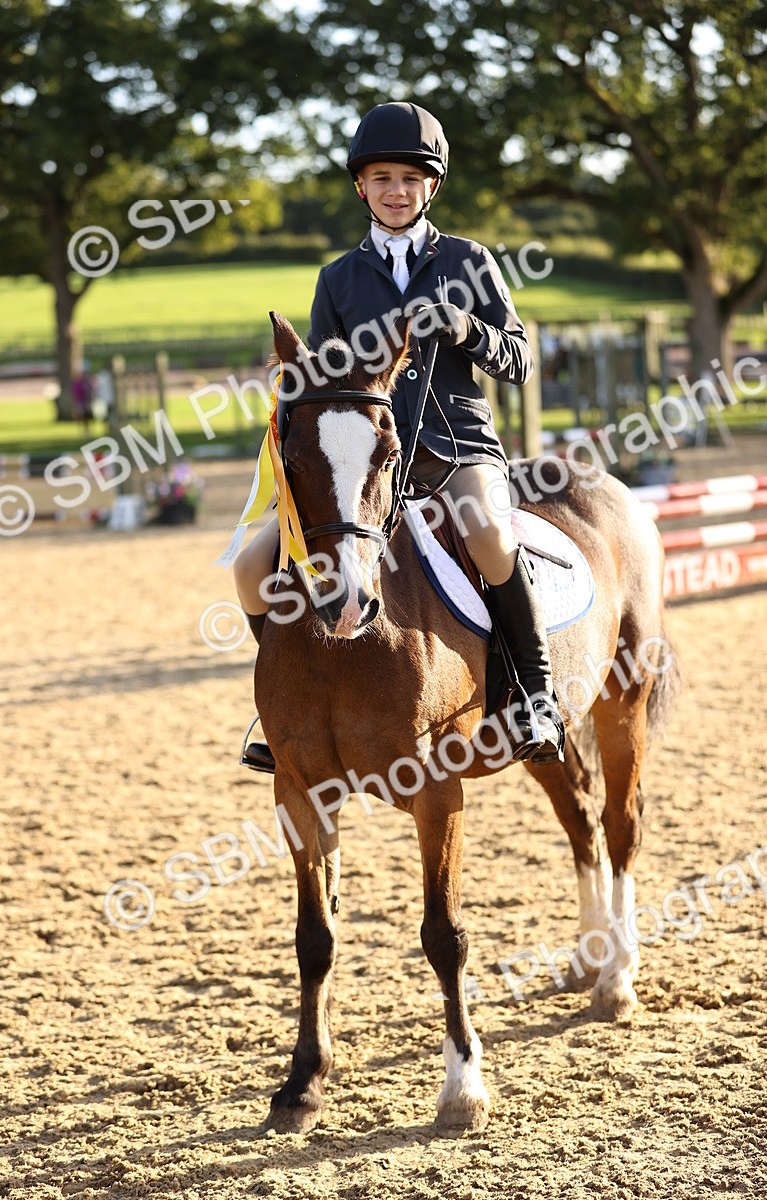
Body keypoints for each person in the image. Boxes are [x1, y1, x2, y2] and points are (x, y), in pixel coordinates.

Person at [235, 101, 564, 771]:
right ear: (361, 187)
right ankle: (279, 706)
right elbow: (322, 379)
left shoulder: (471, 261)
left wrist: (468, 329)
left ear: (430, 187)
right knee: (249, 567)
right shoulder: (338, 278)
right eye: (381, 178)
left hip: (456, 451)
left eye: (409, 179)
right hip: (363, 462)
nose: (395, 191)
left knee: (493, 538)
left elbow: (522, 361)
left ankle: (536, 694)